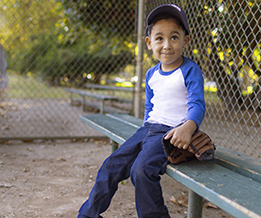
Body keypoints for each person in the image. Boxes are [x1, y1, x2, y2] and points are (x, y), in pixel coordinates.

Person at [77, 4, 205, 218]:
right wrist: (145, 129)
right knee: (111, 166)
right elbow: (150, 107)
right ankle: (88, 214)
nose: (167, 45)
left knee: (141, 171)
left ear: (186, 40)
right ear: (149, 43)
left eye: (174, 37)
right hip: (147, 130)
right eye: (159, 38)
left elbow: (197, 105)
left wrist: (187, 128)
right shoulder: (151, 74)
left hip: (170, 133)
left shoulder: (189, 70)